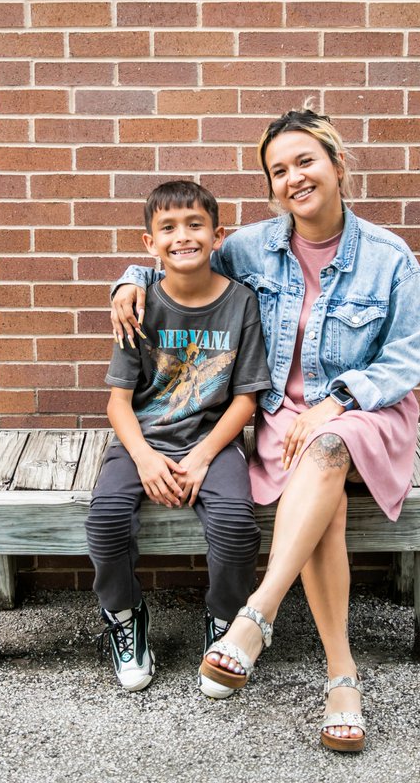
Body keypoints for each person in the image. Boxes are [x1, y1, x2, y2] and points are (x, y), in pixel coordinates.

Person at [111, 107, 420, 750]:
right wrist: (130, 281)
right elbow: (179, 260)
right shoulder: (252, 246)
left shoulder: (388, 258)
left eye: (306, 161)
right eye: (279, 171)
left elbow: (407, 354)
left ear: (339, 167)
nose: (294, 178)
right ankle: (341, 676)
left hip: (365, 413)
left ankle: (258, 615)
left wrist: (337, 401)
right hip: (283, 418)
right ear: (271, 188)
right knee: (326, 499)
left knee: (329, 445)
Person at [88, 180, 272, 693]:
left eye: (195, 225)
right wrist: (144, 457)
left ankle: (226, 622)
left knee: (237, 524)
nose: (182, 236)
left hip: (214, 442)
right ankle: (125, 618)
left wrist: (203, 456)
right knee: (104, 519)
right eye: (167, 227)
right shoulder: (139, 306)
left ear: (218, 236)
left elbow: (245, 399)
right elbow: (118, 402)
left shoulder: (241, 304)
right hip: (142, 439)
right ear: (149, 243)